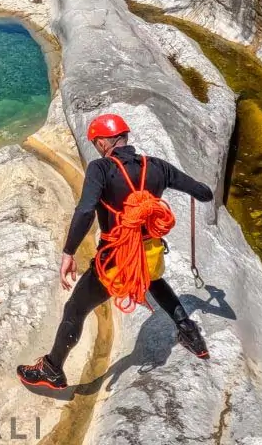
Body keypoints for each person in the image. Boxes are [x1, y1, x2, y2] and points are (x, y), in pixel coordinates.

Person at [17, 113, 214, 390]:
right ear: (125, 137)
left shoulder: (100, 169)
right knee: (152, 280)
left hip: (116, 260)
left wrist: (68, 252)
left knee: (75, 308)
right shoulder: (156, 166)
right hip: (149, 254)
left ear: (101, 142)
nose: (97, 148)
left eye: (96, 143)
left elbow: (86, 210)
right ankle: (191, 334)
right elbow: (203, 193)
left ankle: (52, 369)